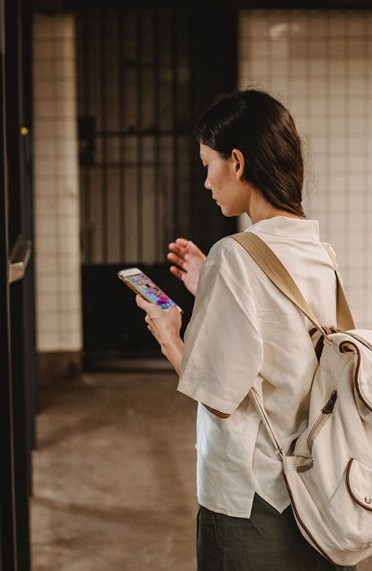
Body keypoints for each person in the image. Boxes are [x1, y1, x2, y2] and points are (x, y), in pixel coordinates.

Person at [134, 89, 355, 571]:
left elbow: (219, 395)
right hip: (322, 492)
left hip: (251, 500)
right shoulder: (319, 251)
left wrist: (170, 332)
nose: (206, 181)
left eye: (207, 163)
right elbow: (282, 339)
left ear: (237, 162)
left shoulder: (235, 255)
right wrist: (208, 287)